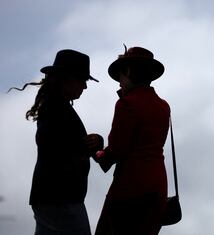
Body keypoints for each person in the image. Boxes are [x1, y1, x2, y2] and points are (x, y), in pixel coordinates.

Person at [10, 49, 104, 234]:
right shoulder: (55, 108)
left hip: (52, 196)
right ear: (65, 79)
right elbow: (52, 143)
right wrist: (87, 145)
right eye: (81, 80)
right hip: (61, 197)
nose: (84, 87)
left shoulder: (56, 106)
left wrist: (95, 142)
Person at [94, 46, 171, 235]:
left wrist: (96, 151)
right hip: (158, 188)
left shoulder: (127, 103)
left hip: (130, 190)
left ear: (128, 71)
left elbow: (116, 151)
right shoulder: (163, 105)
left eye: (120, 75)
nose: (119, 82)